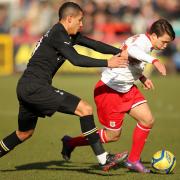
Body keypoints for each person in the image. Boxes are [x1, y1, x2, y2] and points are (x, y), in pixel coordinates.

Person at [0, 2, 128, 171]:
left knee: (24, 133)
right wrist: (108, 62)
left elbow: (93, 44)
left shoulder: (67, 33)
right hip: (35, 87)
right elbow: (76, 60)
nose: (82, 24)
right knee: (85, 109)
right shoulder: (58, 34)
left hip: (26, 87)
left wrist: (119, 52)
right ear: (69, 19)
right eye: (80, 20)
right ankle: (104, 159)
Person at [61, 19, 175, 173]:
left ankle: (133, 160)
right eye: (164, 41)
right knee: (112, 136)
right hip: (109, 91)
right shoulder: (142, 42)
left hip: (127, 89)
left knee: (147, 120)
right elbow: (133, 52)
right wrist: (155, 61)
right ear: (154, 35)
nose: (165, 45)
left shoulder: (144, 42)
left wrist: (142, 77)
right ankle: (70, 142)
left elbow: (130, 60)